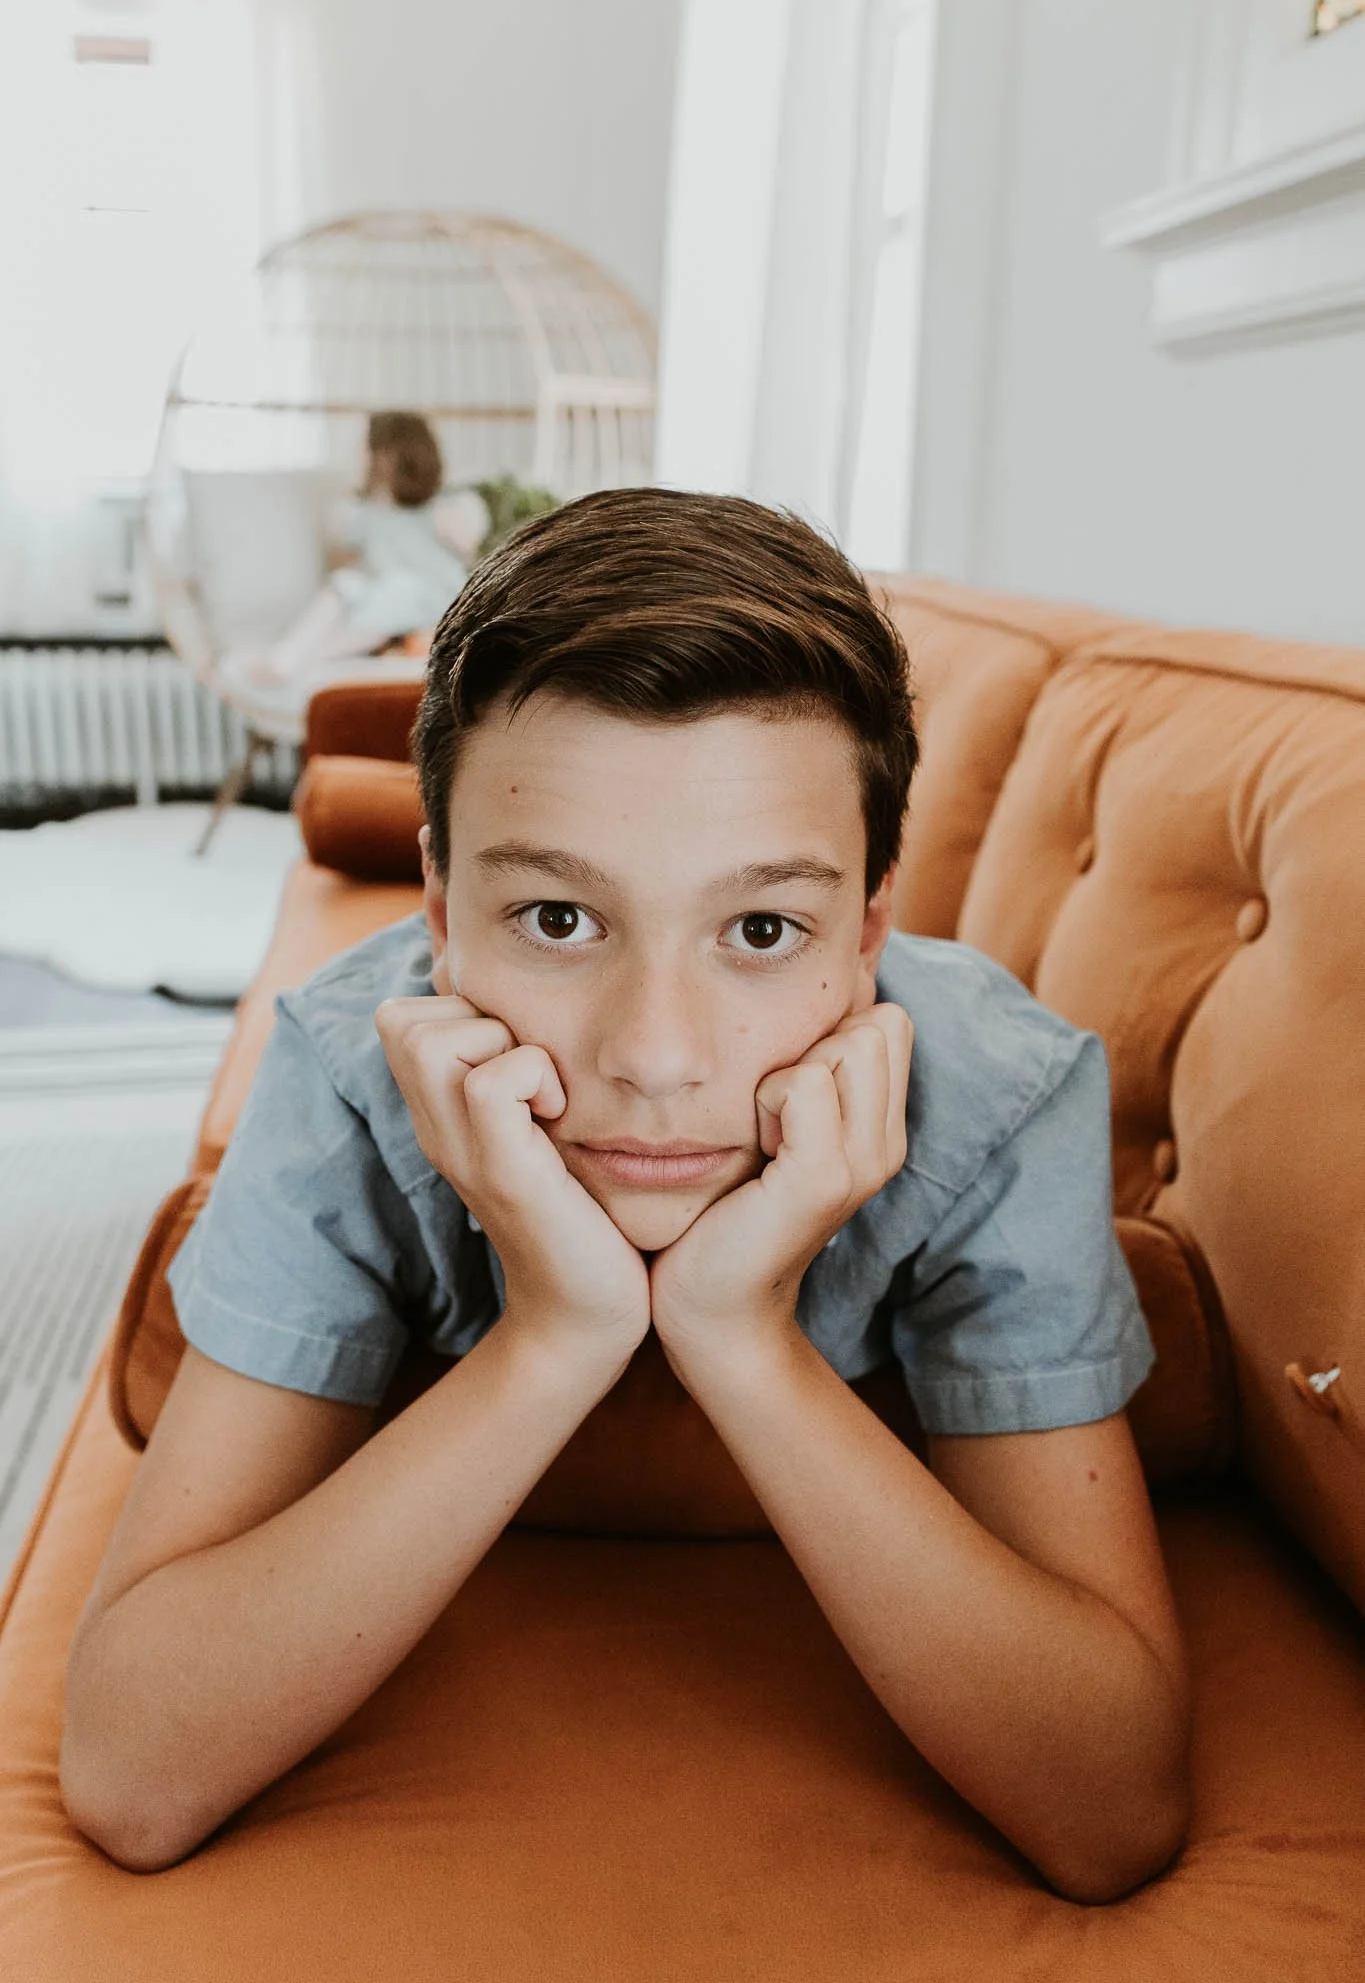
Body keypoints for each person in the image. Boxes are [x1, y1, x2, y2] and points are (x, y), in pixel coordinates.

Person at [59, 490, 1193, 1898]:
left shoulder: (1002, 1098)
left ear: (871, 926)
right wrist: (556, 1333)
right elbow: (130, 1769)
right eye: (556, 918)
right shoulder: (348, 1070)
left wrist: (741, 1338)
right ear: (436, 906)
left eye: (763, 930)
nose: (655, 1059)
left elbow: (1109, 1812)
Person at [225, 412, 472, 695]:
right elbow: (346, 560)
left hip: (431, 596)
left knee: (398, 588)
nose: (362, 455)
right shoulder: (365, 513)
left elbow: (466, 548)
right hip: (382, 593)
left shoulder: (440, 507)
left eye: (368, 449)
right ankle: (286, 658)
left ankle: (308, 659)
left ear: (390, 455)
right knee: (346, 584)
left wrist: (450, 520)